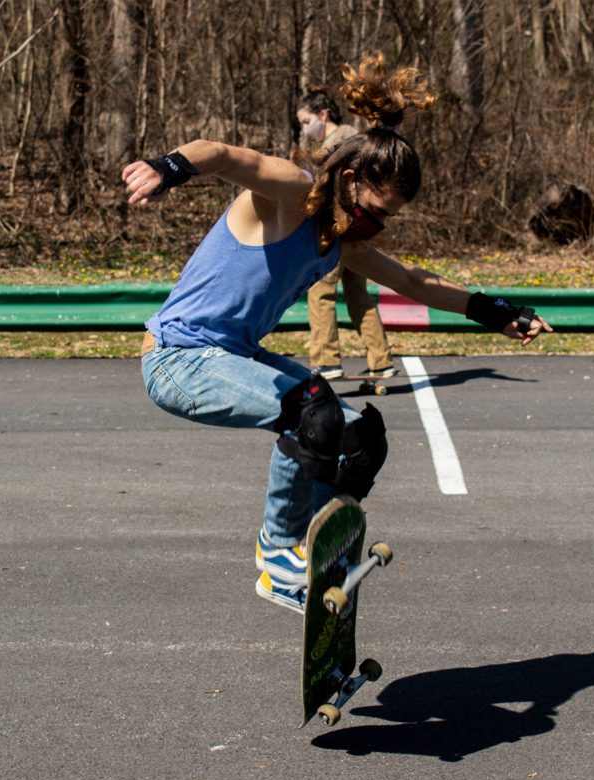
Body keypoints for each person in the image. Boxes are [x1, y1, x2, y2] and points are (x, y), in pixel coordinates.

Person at [122, 54, 551, 613]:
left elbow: (412, 280)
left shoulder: (340, 237)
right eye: (373, 213)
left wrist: (495, 311)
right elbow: (227, 155)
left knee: (361, 437)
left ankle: (324, 544)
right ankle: (277, 555)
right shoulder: (293, 194)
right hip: (178, 358)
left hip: (230, 355)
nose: (374, 227)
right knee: (313, 409)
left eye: (386, 221)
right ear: (348, 182)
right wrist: (168, 167)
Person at [296, 86, 395, 382]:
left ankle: (327, 361)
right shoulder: (354, 140)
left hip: (337, 228)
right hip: (357, 230)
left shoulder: (340, 144)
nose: (304, 128)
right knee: (357, 295)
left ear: (323, 115)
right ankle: (381, 360)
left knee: (321, 293)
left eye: (306, 121)